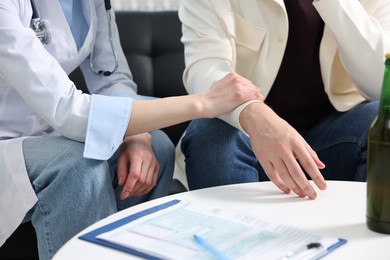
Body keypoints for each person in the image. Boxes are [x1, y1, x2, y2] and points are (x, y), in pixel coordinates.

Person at [0, 1, 262, 259]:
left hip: (47, 132)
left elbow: (111, 80)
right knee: (77, 164)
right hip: (8, 140)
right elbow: (68, 111)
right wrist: (204, 103)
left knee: (155, 146)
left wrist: (135, 133)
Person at [178, 0, 390, 200]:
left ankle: (364, 235)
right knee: (211, 132)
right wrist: (251, 111)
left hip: (329, 144)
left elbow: (380, 83)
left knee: (383, 122)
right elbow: (204, 70)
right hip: (247, 140)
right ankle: (235, 237)